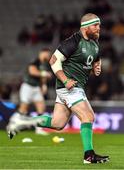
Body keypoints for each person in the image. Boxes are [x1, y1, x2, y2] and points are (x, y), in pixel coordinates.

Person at [9, 13, 109, 164]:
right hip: (69, 86)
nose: (98, 28)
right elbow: (54, 60)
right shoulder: (73, 41)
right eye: (95, 25)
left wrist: (97, 66)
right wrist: (65, 79)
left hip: (74, 87)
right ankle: (89, 155)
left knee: (58, 123)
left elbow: (94, 58)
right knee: (88, 117)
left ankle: (22, 123)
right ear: (85, 27)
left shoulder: (95, 43)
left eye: (99, 25)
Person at [7, 48, 52, 136]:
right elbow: (32, 71)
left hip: (36, 88)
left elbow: (43, 77)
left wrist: (44, 85)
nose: (48, 56)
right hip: (28, 86)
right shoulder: (35, 60)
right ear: (42, 53)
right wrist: (43, 74)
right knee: (23, 108)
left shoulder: (45, 64)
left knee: (41, 107)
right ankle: (12, 124)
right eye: (47, 54)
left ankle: (39, 129)